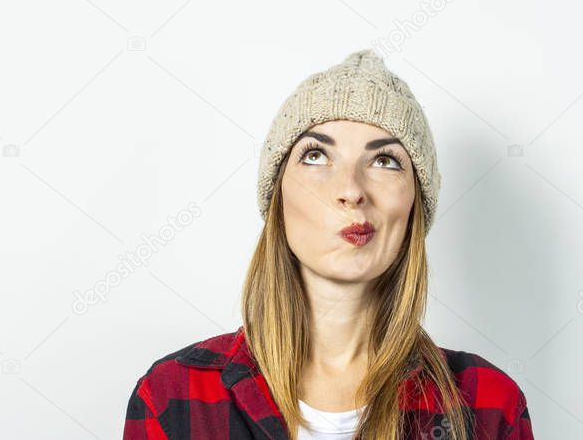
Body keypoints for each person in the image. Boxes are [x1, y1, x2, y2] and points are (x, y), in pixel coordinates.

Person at [123, 49, 534, 439]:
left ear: (414, 205)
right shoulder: (171, 398)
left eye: (385, 161)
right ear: (278, 196)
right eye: (317, 156)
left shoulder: (490, 405)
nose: (351, 190)